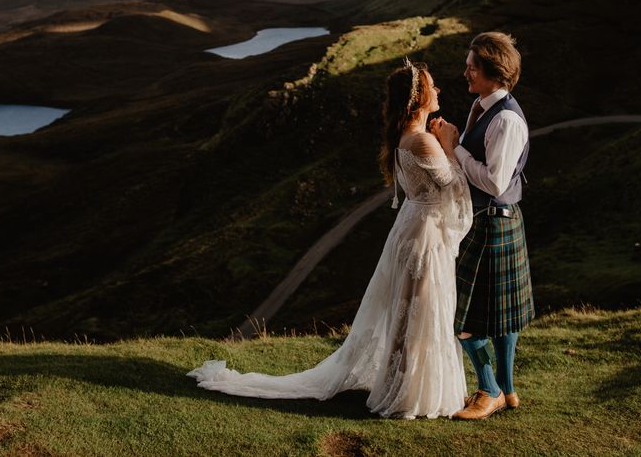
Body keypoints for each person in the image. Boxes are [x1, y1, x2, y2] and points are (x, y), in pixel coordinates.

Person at [187, 58, 473, 419]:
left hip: (413, 227)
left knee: (410, 312)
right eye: (432, 86)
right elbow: (456, 188)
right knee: (419, 312)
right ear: (418, 97)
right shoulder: (423, 143)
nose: (439, 91)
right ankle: (406, 392)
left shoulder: (408, 137)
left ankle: (403, 385)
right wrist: (450, 145)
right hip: (424, 235)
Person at [434, 31, 534, 420]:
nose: (465, 73)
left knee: (459, 314)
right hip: (490, 222)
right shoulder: (483, 105)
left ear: (494, 72)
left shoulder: (506, 119)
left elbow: (494, 181)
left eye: (472, 67)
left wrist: (453, 146)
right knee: (501, 315)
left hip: (493, 223)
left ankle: (489, 389)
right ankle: (507, 391)